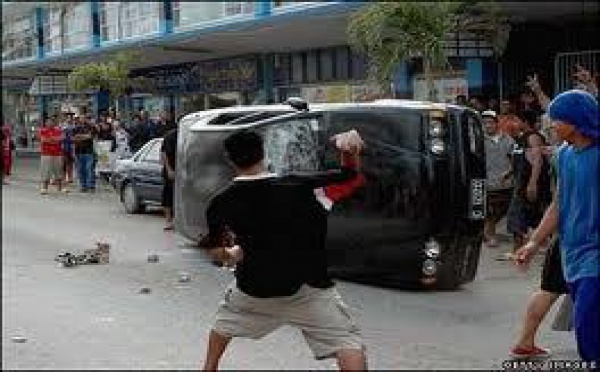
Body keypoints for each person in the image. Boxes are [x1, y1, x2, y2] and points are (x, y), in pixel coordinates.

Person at [198, 129, 368, 371]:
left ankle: (209, 367)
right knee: (347, 343)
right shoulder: (301, 186)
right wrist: (347, 151)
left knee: (222, 325)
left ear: (230, 160)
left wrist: (233, 254)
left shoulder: (220, 203)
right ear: (263, 154)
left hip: (254, 291)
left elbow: (217, 254)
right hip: (309, 287)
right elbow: (351, 177)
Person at [515, 89, 599, 363]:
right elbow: (559, 203)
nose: (551, 125)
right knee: (587, 337)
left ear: (576, 120)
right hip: (572, 252)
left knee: (587, 324)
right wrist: (533, 242)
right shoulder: (563, 155)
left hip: (596, 256)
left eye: (557, 120)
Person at [503, 110, 552, 260]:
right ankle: (544, 246)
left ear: (525, 122)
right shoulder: (521, 138)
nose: (515, 124)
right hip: (521, 181)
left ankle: (517, 250)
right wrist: (510, 171)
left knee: (516, 216)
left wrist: (532, 183)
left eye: (517, 120)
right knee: (533, 216)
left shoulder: (533, 137)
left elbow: (537, 161)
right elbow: (521, 157)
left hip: (529, 183)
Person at [482, 110, 514, 247]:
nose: (488, 126)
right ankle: (490, 235)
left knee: (504, 209)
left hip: (505, 182)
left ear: (497, 124)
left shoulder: (508, 139)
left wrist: (510, 171)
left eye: (490, 123)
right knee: (489, 211)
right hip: (487, 181)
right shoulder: (479, 140)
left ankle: (487, 231)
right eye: (485, 123)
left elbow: (514, 159)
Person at [38, 116, 66, 194]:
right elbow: (43, 140)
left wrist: (51, 139)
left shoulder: (58, 130)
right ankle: (44, 188)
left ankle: (60, 188)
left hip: (57, 154)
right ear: (46, 123)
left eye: (52, 121)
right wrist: (54, 139)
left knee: (58, 171)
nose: (50, 123)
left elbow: (62, 138)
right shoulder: (42, 130)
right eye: (48, 121)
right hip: (46, 154)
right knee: (46, 171)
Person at [72, 116, 97, 193]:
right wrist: (85, 137)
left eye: (84, 118)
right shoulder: (76, 128)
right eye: (81, 118)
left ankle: (91, 186)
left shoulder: (91, 127)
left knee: (89, 169)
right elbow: (73, 138)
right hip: (78, 151)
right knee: (80, 169)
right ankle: (83, 186)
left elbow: (91, 137)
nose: (82, 120)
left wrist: (79, 137)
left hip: (89, 151)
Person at [160, 127, 178, 231]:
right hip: (171, 170)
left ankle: (178, 221)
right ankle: (168, 221)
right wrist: (169, 170)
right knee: (168, 196)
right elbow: (164, 153)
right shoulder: (170, 136)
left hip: (182, 171)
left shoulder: (187, 135)